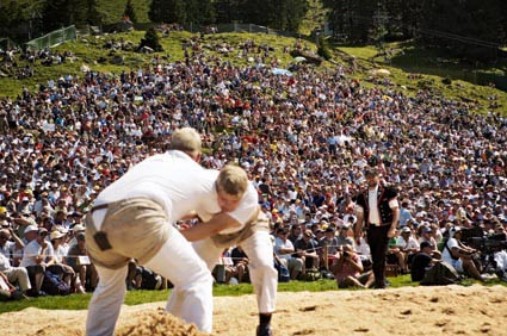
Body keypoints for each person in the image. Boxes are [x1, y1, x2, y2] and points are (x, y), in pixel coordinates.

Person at [85, 127, 226, 335]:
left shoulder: (150, 162)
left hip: (96, 220)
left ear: (169, 148)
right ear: (198, 156)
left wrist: (192, 214)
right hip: (139, 213)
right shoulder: (200, 174)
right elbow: (214, 220)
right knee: (198, 277)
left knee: (109, 286)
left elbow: (134, 201)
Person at [183, 165, 278, 336]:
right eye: (224, 200)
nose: (228, 205)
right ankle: (177, 319)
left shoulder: (250, 197)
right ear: (217, 189)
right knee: (190, 273)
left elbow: (214, 226)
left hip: (249, 226)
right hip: (214, 233)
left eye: (235, 201)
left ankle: (265, 322)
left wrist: (169, 236)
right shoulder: (203, 187)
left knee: (264, 265)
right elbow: (190, 209)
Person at [353, 167, 400, 289]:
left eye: (372, 178)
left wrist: (393, 228)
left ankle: (380, 282)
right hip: (371, 228)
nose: (370, 180)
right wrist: (357, 233)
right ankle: (379, 281)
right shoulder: (362, 196)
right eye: (368, 178)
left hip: (384, 227)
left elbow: (395, 211)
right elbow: (360, 217)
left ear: (377, 177)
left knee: (381, 254)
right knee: (374, 256)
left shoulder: (387, 191)